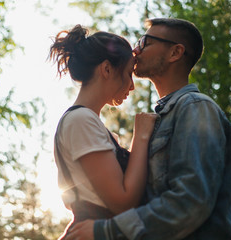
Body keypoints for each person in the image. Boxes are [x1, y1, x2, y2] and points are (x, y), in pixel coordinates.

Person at [64, 18, 231, 240]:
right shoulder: (160, 119)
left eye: (145, 42)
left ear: (175, 53)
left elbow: (191, 200)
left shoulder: (195, 108)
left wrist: (107, 230)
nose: (135, 50)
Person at [49, 25, 157, 239]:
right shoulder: (81, 121)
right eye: (128, 74)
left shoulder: (87, 122)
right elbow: (123, 202)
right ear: (106, 69)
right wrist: (141, 137)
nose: (132, 86)